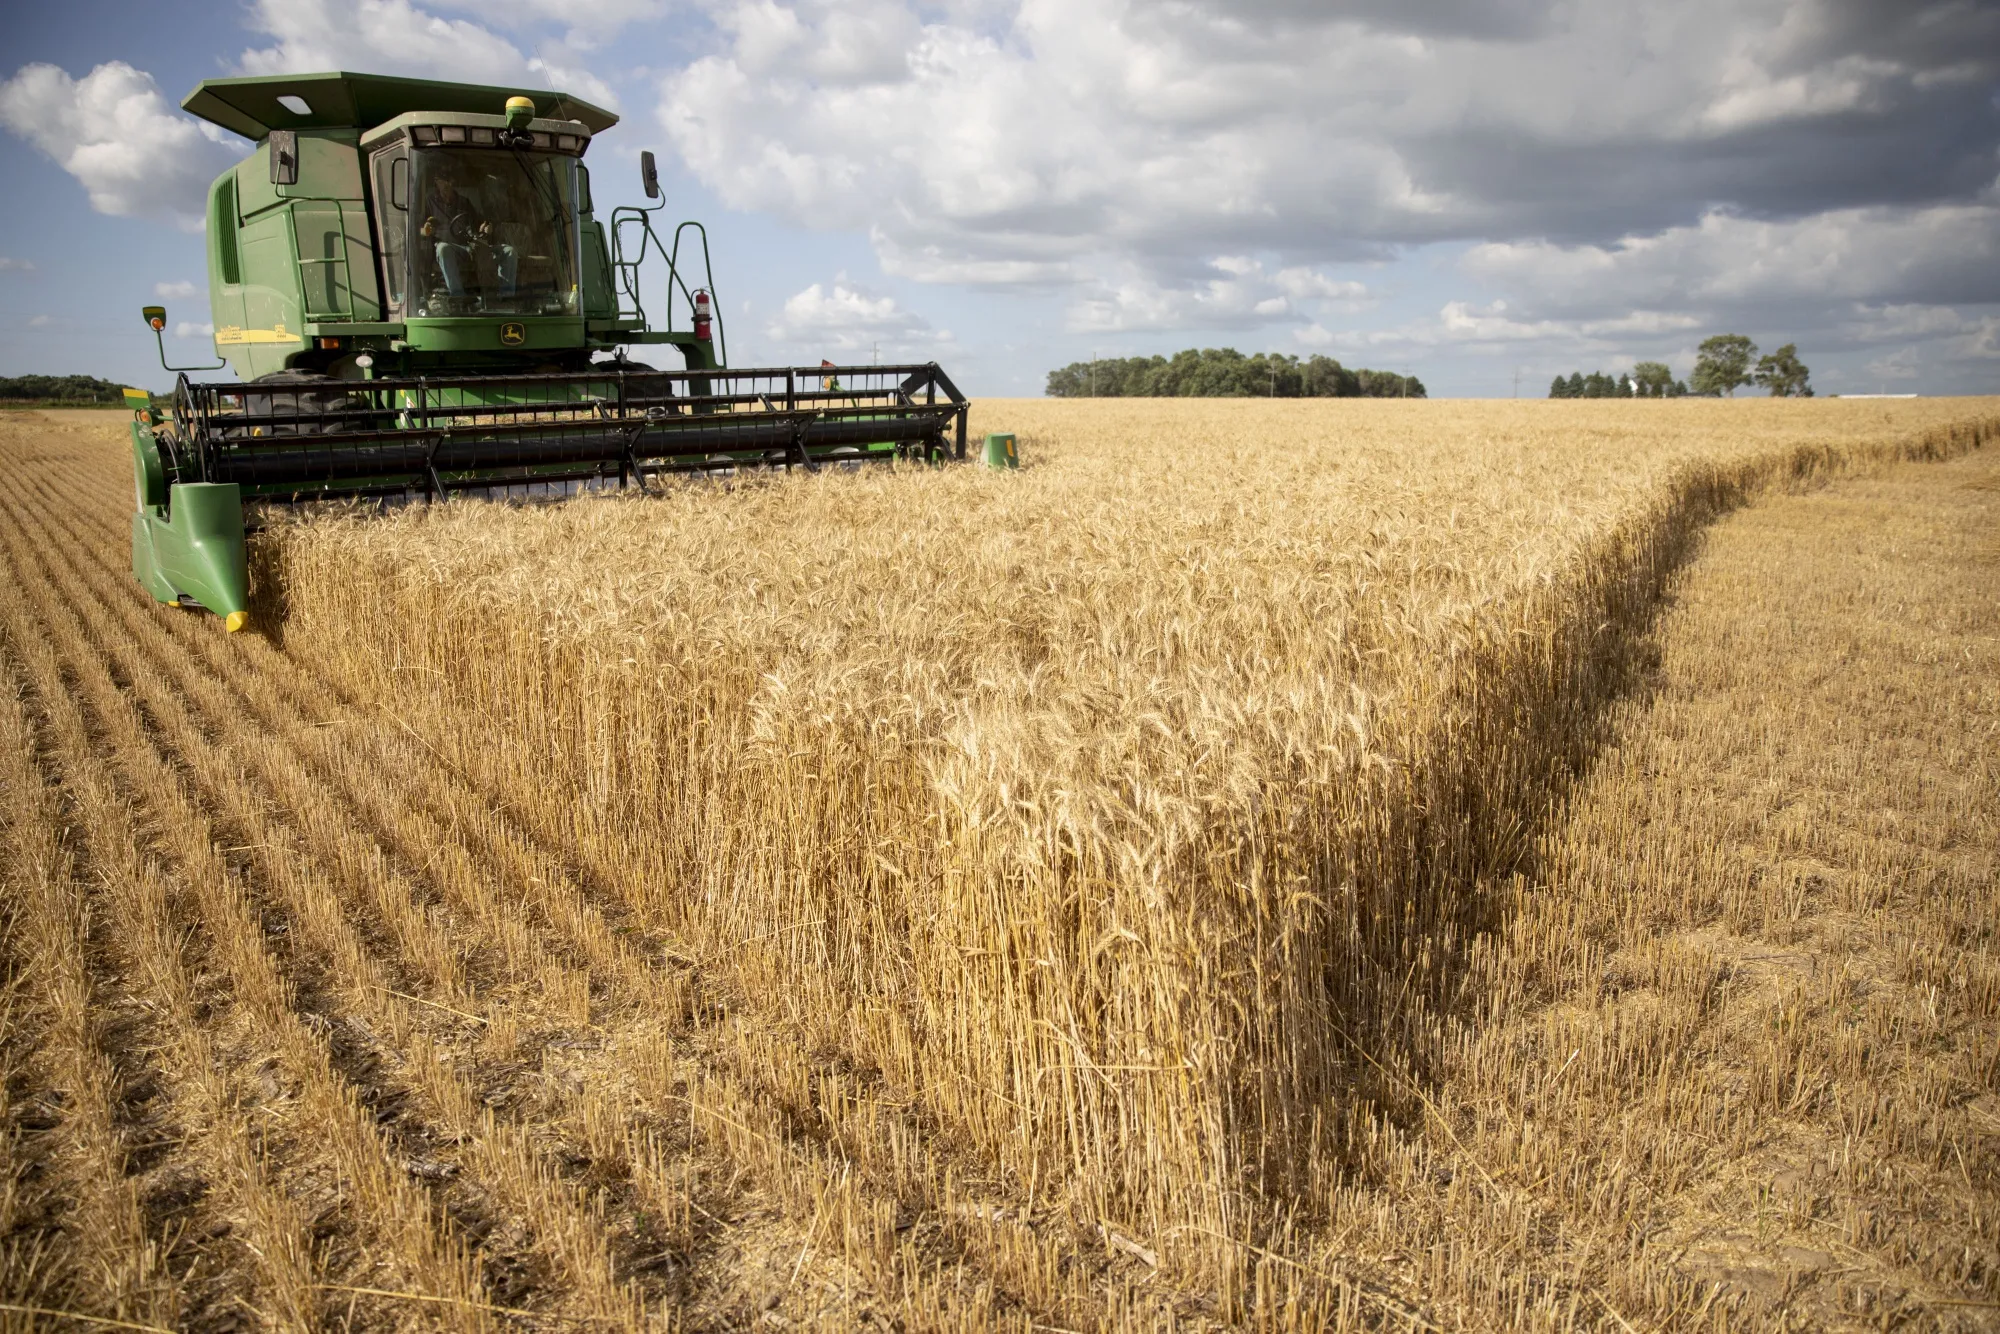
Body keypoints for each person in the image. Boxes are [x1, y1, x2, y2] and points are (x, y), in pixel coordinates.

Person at [420, 163, 517, 302]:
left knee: (509, 251)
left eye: (449, 181)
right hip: (451, 249)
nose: (446, 184)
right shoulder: (429, 202)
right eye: (442, 181)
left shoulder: (464, 202)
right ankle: (459, 297)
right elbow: (418, 229)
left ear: (453, 182)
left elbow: (479, 224)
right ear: (436, 182)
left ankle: (506, 298)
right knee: (443, 248)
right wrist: (425, 230)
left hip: (471, 247)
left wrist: (485, 228)